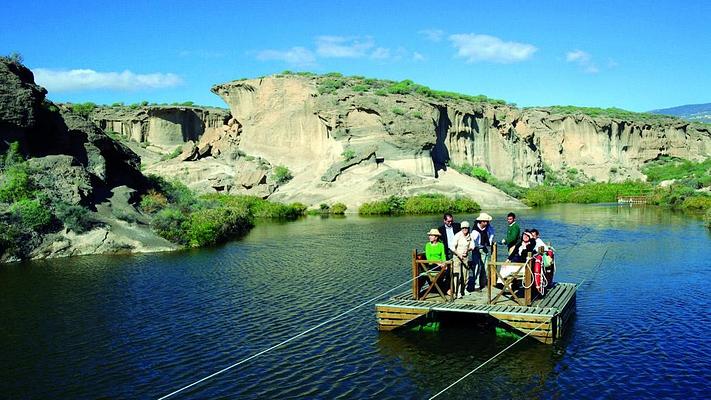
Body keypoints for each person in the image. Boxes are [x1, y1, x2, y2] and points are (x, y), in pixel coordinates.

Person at [469, 212, 494, 291]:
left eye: (487, 221)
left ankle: (483, 282)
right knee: (476, 267)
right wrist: (472, 247)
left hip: (484, 247)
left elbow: (492, 232)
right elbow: (472, 240)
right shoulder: (475, 231)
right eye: (484, 221)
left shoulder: (488, 227)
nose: (486, 223)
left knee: (485, 267)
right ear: (480, 221)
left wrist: (490, 241)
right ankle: (476, 284)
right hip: (476, 249)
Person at [419, 228, 447, 296]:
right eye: (429, 235)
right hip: (431, 265)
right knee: (422, 276)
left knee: (448, 271)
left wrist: (444, 264)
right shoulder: (428, 245)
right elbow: (429, 258)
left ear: (436, 237)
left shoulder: (441, 245)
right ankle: (418, 292)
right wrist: (438, 263)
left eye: (431, 235)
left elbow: (443, 256)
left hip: (440, 265)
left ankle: (445, 289)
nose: (430, 237)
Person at [450, 221, 473, 299]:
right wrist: (458, 254)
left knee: (465, 274)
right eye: (463, 228)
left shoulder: (470, 236)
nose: (465, 229)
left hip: (465, 257)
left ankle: (464, 289)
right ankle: (457, 292)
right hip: (457, 257)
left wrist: (467, 250)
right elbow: (452, 247)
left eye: (466, 228)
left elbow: (472, 246)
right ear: (461, 228)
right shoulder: (457, 235)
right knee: (457, 275)